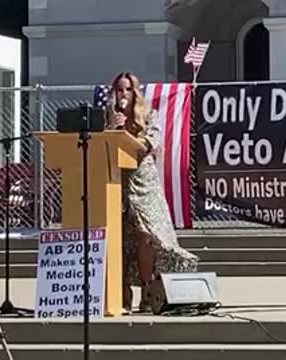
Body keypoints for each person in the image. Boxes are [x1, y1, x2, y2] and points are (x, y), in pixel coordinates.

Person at [105, 71, 199, 313]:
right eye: (119, 90)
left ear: (135, 92)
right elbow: (101, 143)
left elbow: (150, 142)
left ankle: (148, 291)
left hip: (143, 182)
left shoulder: (148, 115)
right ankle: (120, 291)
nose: (122, 94)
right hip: (116, 180)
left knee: (148, 236)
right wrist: (112, 128)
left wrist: (128, 134)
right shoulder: (108, 117)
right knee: (121, 238)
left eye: (127, 89)